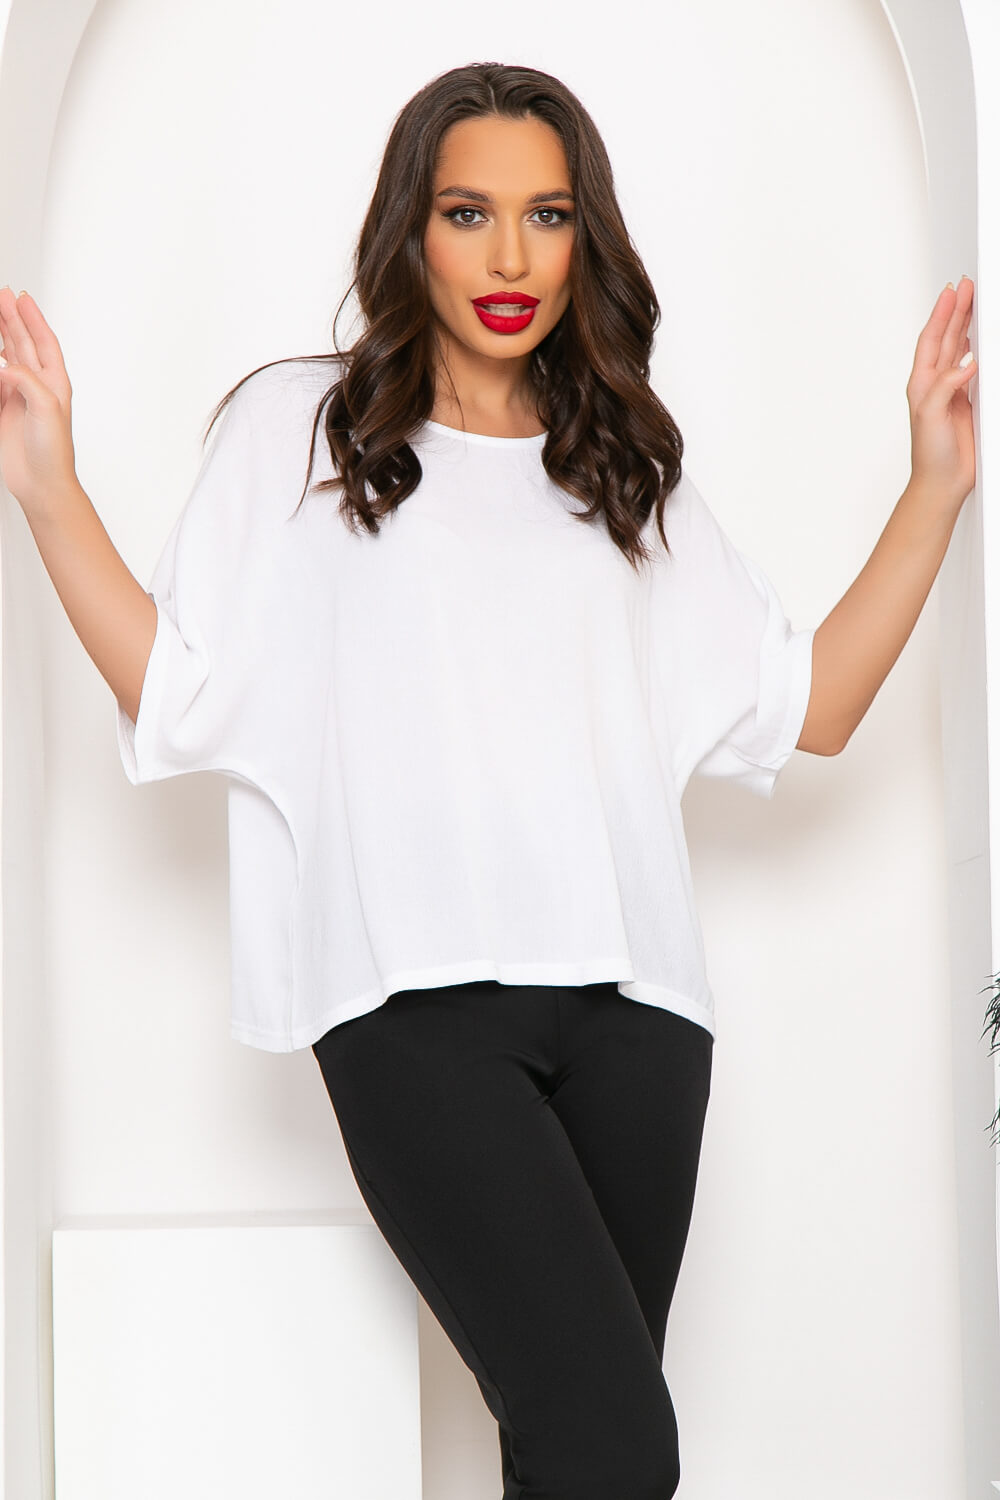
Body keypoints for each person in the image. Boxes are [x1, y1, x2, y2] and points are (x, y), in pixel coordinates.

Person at [0, 60, 976, 1500]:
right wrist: (49, 492)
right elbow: (181, 690)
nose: (511, 257)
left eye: (548, 215)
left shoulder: (622, 467)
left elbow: (811, 706)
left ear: (587, 238)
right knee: (617, 1448)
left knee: (571, 1457)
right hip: (414, 1007)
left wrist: (935, 486)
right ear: (412, 228)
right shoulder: (302, 434)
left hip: (642, 1020)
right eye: (469, 213)